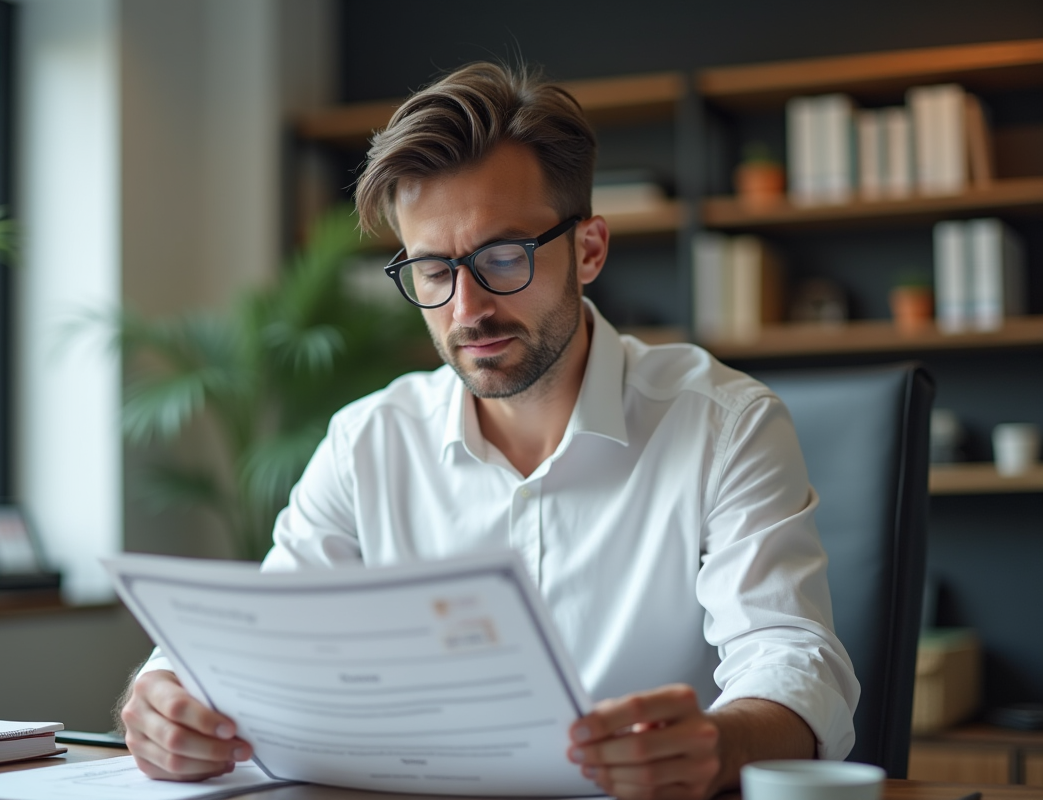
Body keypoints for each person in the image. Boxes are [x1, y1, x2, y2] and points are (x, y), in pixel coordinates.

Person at [119, 61, 860, 800]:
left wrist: (718, 744)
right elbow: (266, 635)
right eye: (433, 270)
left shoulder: (726, 426)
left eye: (503, 256)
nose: (466, 308)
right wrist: (166, 694)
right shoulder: (369, 441)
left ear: (590, 249)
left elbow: (791, 660)